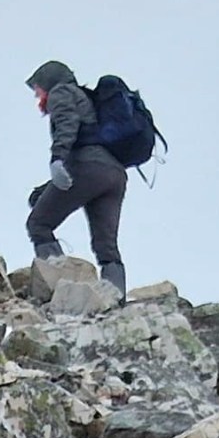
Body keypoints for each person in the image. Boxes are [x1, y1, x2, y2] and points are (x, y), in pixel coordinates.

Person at [22, 59, 128, 289]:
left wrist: (57, 159)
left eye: (38, 89)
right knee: (106, 245)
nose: (37, 96)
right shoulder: (87, 98)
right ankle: (114, 297)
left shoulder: (61, 92)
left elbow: (67, 124)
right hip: (114, 175)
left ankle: (58, 285)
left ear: (48, 82)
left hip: (87, 168)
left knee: (39, 224)